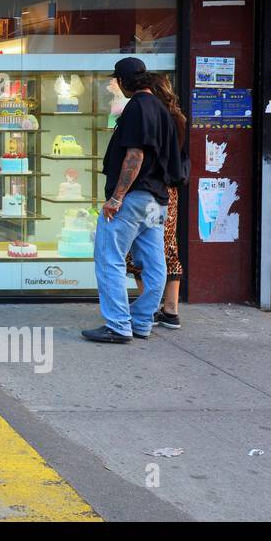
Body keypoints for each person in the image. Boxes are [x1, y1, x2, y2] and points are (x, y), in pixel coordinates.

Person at [85, 57, 185, 344]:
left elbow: (135, 155)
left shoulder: (137, 108)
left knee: (109, 258)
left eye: (117, 80)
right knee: (154, 263)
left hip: (133, 198)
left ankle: (118, 324)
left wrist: (116, 198)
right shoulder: (163, 110)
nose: (117, 85)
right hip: (157, 199)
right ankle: (141, 321)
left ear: (124, 81)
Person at [126, 74, 187, 329]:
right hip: (169, 191)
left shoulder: (155, 119)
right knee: (166, 247)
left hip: (152, 190)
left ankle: (147, 306)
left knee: (140, 248)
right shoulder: (178, 119)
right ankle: (170, 309)